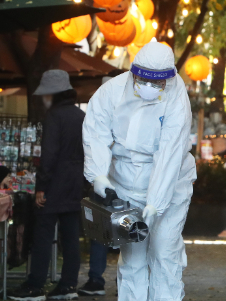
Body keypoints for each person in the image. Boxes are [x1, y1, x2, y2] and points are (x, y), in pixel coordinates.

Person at [83, 42, 197, 301]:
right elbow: (95, 131)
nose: (148, 86)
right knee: (132, 258)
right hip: (124, 183)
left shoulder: (177, 97)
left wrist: (156, 202)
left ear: (168, 79)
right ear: (133, 73)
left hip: (171, 186)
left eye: (156, 82)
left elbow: (170, 153)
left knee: (163, 252)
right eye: (143, 79)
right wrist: (98, 174)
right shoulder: (111, 91)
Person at [8, 70, 85, 300]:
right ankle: (69, 285)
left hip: (53, 185)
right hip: (75, 184)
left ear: (53, 93)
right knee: (71, 237)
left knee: (42, 235)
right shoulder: (80, 116)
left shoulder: (54, 116)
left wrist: (41, 187)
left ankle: (35, 286)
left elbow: (49, 155)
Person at [78, 77, 113, 297]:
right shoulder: (130, 112)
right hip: (117, 181)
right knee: (123, 233)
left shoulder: (99, 112)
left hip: (103, 180)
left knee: (100, 232)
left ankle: (96, 279)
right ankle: (126, 281)